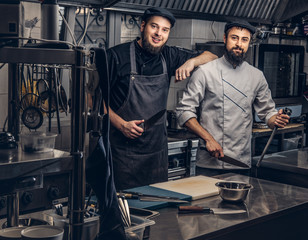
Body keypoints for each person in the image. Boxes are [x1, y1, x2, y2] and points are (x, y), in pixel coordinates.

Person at [105, 7, 217, 190]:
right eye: (154, 27)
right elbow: (93, 99)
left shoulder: (169, 55)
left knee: (158, 211)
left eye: (165, 30)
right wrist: (121, 124)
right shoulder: (116, 56)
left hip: (156, 154)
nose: (159, 34)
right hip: (123, 155)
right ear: (143, 26)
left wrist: (191, 62)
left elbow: (212, 57)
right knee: (125, 209)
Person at [176, 19, 290, 176]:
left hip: (241, 162)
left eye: (244, 40)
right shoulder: (205, 72)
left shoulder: (256, 76)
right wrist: (208, 139)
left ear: (249, 43)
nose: (239, 44)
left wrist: (275, 119)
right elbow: (183, 111)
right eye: (234, 38)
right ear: (225, 39)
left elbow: (268, 113)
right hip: (209, 162)